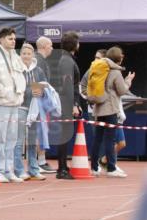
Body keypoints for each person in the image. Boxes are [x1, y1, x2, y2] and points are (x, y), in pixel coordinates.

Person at [0, 27, 26, 183]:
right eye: (10, 38)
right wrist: (4, 92)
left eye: (14, 38)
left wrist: (20, 92)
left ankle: (9, 169)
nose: (13, 41)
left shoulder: (15, 56)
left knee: (12, 138)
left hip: (15, 103)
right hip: (0, 103)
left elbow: (20, 75)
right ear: (1, 40)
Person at [89, 46, 134, 178]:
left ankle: (94, 168)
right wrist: (128, 81)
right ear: (118, 59)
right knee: (110, 139)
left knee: (97, 139)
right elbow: (122, 91)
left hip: (98, 108)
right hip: (110, 109)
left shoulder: (98, 68)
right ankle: (111, 168)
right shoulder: (115, 72)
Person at [15, 42, 47, 180]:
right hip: (20, 107)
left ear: (33, 55)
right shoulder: (16, 70)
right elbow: (16, 88)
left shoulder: (38, 70)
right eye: (24, 53)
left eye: (29, 53)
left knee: (33, 140)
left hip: (35, 109)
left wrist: (40, 90)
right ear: (20, 55)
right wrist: (31, 90)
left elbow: (45, 85)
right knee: (19, 140)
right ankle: (19, 170)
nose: (26, 56)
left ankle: (33, 169)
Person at [54, 31, 82, 180]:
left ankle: (63, 166)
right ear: (74, 44)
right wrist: (73, 105)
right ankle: (61, 169)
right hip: (66, 102)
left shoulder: (68, 59)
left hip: (67, 101)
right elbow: (67, 85)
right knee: (64, 136)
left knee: (65, 135)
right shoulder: (66, 60)